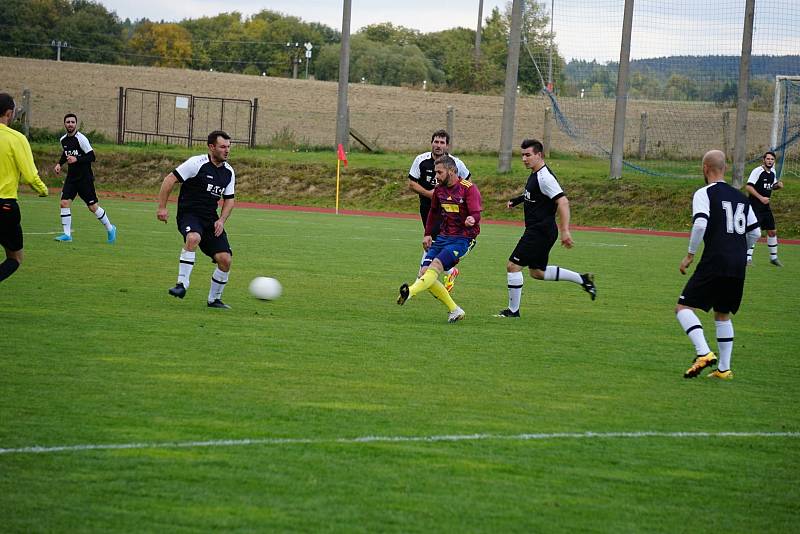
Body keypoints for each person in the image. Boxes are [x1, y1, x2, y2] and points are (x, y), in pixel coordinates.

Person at [677, 150, 760, 380]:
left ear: (705, 168)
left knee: (683, 308)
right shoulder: (742, 198)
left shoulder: (704, 193)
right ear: (725, 169)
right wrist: (744, 252)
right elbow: (755, 232)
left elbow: (700, 225)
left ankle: (703, 353)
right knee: (722, 314)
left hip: (715, 259)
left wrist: (690, 255)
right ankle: (724, 369)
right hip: (737, 264)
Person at [495, 139, 596, 318]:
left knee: (513, 266)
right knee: (538, 273)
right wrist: (518, 200)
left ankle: (513, 311)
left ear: (539, 155)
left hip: (539, 231)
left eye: (528, 155)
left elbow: (563, 201)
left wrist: (565, 230)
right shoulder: (536, 173)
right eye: (522, 155)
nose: (524, 159)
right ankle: (583, 279)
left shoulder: (545, 177)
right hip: (542, 231)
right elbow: (536, 195)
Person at [157, 130, 236, 309]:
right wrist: (162, 207)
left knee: (225, 260)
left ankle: (214, 299)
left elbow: (229, 199)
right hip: (189, 214)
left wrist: (222, 220)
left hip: (211, 219)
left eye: (229, 147)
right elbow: (169, 180)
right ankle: (181, 285)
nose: (227, 150)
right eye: (223, 147)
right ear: (211, 147)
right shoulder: (196, 163)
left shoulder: (229, 172)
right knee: (193, 238)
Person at [397, 155, 481, 323]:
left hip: (463, 239)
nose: (436, 176)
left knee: (435, 267)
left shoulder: (468, 188)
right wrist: (427, 234)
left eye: (439, 172)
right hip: (442, 237)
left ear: (452, 171)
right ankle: (455, 310)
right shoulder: (439, 190)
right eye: (435, 172)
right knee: (424, 273)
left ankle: (410, 292)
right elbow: (433, 213)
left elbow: (476, 212)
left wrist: (472, 219)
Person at [408, 129, 471, 292]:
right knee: (433, 240)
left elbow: (468, 182)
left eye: (442, 142)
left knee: (433, 241)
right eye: (436, 141)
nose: (438, 145)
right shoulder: (421, 160)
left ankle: (421, 276)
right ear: (431, 143)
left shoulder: (456, 163)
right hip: (427, 208)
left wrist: (457, 199)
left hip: (448, 209)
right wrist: (430, 194)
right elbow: (412, 183)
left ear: (447, 146)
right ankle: (450, 270)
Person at [0, 92, 49, 283]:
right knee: (15, 258)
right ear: (9, 113)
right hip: (5, 207)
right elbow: (30, 175)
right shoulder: (16, 138)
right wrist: (43, 190)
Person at [53, 113, 116, 243]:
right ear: (64, 124)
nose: (70, 124)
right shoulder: (63, 140)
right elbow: (66, 154)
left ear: (76, 124)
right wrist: (59, 164)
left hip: (84, 178)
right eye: (68, 122)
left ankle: (110, 228)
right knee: (64, 203)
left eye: (72, 122)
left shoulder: (81, 139)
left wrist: (77, 159)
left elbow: (92, 156)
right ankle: (67, 235)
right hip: (71, 178)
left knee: (93, 207)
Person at [745, 150, 784, 267]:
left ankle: (773, 258)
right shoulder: (757, 171)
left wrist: (777, 186)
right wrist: (761, 198)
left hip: (765, 207)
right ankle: (748, 259)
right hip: (754, 206)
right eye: (768, 159)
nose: (770, 161)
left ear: (774, 161)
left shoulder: (772, 172)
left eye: (772, 159)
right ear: (763, 160)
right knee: (754, 232)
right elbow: (748, 186)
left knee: (772, 231)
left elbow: (771, 186)